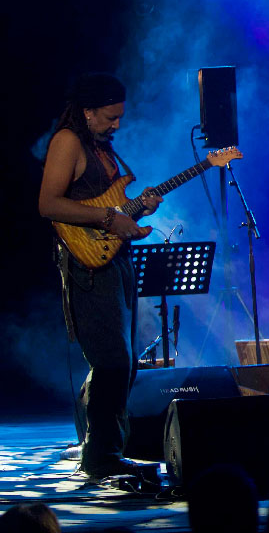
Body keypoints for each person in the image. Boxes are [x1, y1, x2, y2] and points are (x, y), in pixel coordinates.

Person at [37, 74, 162, 480]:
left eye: (120, 117)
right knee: (112, 361)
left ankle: (102, 445)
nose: (117, 125)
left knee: (123, 361)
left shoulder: (99, 147)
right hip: (86, 264)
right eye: (110, 117)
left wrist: (137, 211)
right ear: (88, 111)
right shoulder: (68, 141)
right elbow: (49, 204)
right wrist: (111, 218)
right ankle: (101, 458)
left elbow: (110, 207)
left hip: (116, 260)